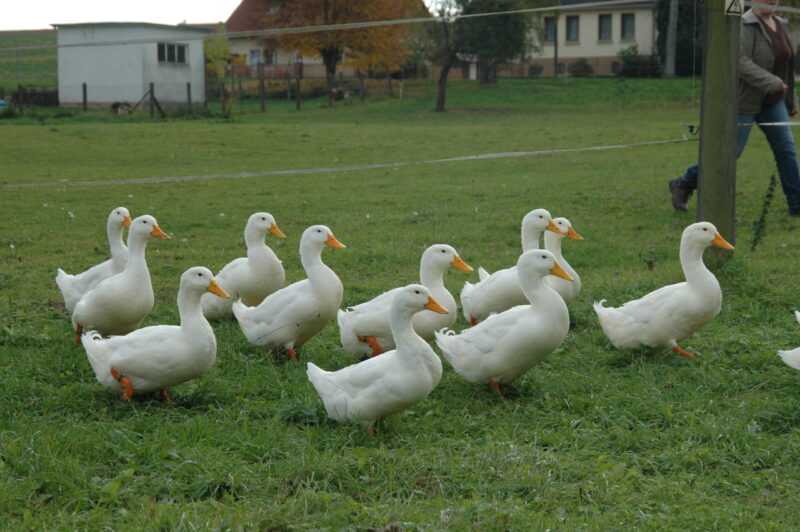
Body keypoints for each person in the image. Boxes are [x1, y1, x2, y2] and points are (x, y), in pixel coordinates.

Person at [669, 0, 800, 216]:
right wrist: (772, 82)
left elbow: (786, 67)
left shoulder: (782, 24)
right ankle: (684, 182)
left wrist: (789, 102)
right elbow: (739, 62)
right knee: (729, 153)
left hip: (773, 101)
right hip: (744, 101)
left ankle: (797, 205)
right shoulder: (743, 23)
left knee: (786, 150)